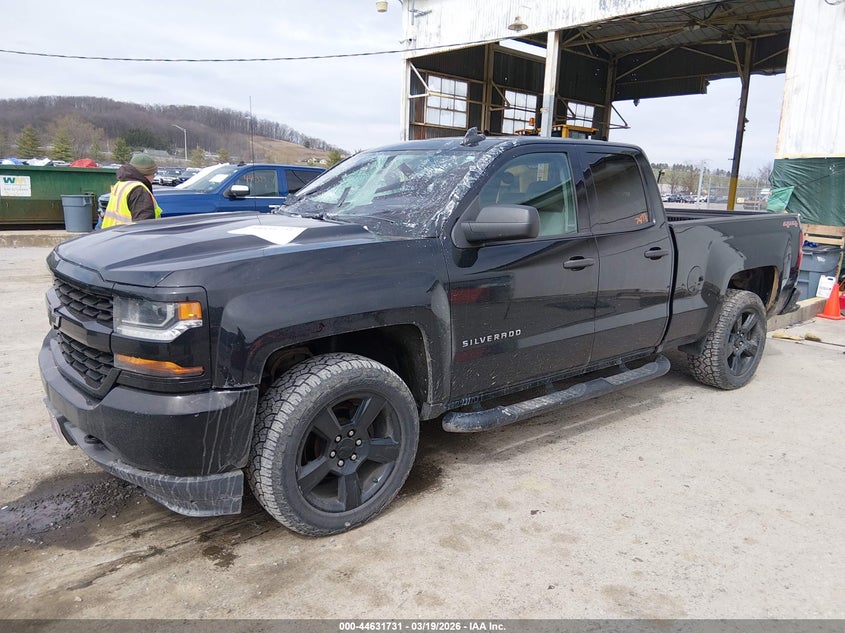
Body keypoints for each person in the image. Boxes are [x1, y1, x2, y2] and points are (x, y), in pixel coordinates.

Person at [100, 153, 163, 228]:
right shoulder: (139, 190)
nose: (153, 177)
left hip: (111, 234)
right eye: (153, 173)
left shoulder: (121, 184)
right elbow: (143, 226)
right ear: (147, 173)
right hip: (127, 237)